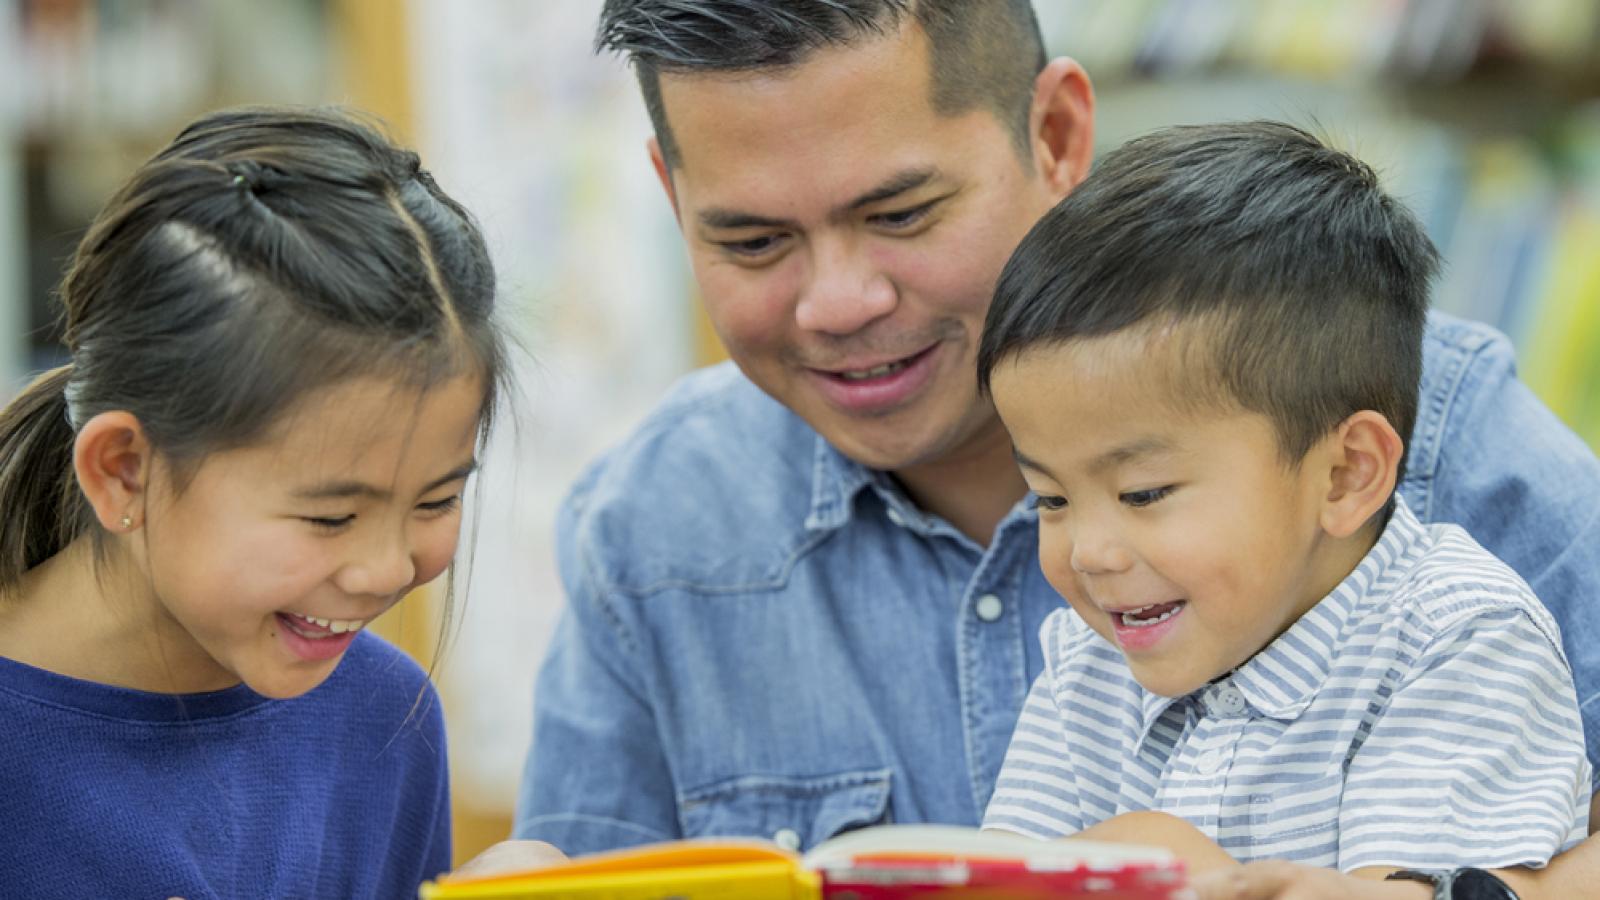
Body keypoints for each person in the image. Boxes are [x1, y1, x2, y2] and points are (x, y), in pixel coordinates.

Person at [514, 2, 1600, 895]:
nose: (838, 303)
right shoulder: (651, 528)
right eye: (750, 241)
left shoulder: (1427, 424)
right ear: (671, 196)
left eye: (901, 214)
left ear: (1058, 138)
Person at [976, 120, 1589, 884]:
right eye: (1051, 499)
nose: (1087, 552)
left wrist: (1172, 862)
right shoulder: (1085, 664)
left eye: (1144, 493)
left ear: (1345, 475)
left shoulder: (1455, 637)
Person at [0, 106, 506, 899]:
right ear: (125, 471)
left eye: (437, 500)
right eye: (330, 517)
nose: (385, 569)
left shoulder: (386, 721)